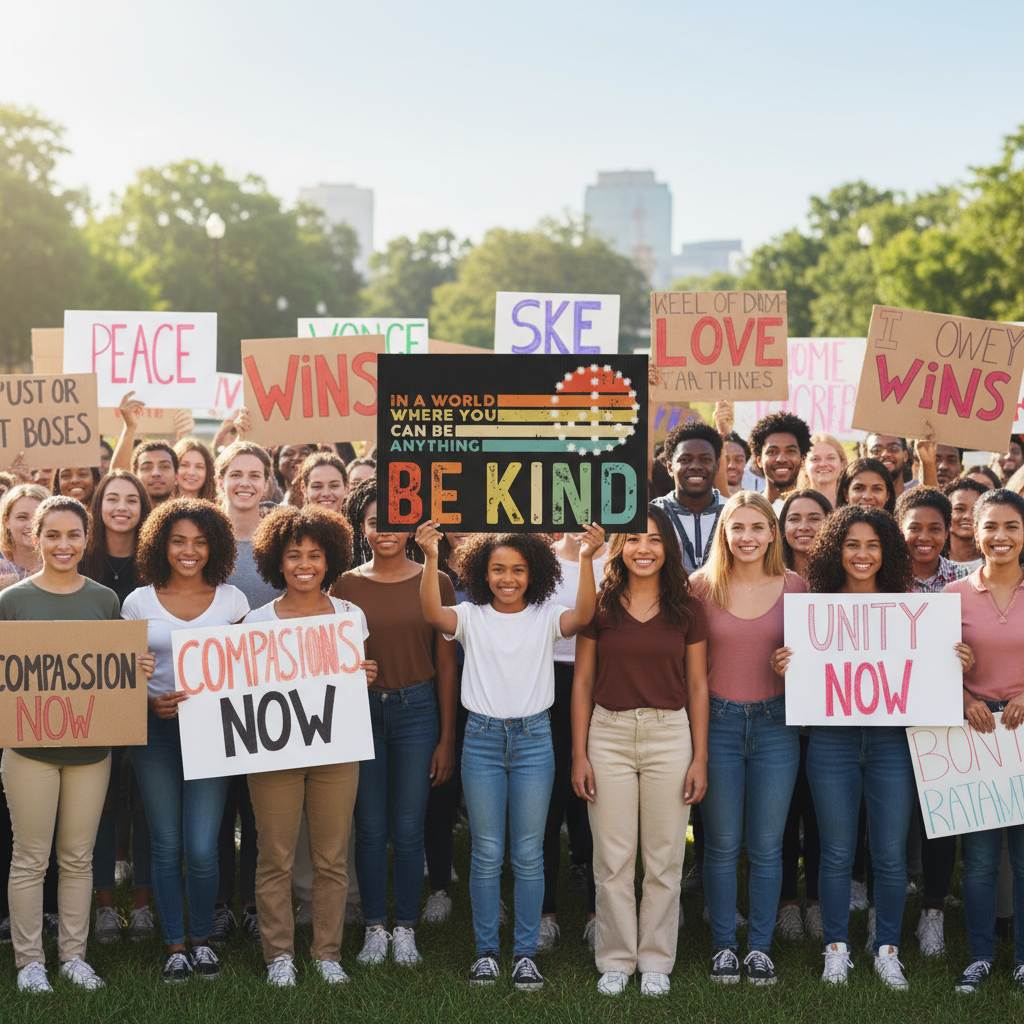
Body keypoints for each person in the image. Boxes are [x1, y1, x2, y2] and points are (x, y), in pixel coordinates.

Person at [779, 505, 972, 990]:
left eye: (872, 545)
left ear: (886, 551)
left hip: (891, 742)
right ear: (835, 550)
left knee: (888, 855)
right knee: (837, 853)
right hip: (831, 742)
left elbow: (927, 674)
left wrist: (956, 661)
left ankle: (887, 949)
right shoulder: (815, 608)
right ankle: (837, 950)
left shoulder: (911, 609)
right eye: (851, 544)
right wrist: (786, 663)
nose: (862, 554)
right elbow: (807, 676)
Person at [417, 520, 604, 991]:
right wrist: (432, 557)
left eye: (518, 570)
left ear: (534, 573)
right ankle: (485, 952)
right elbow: (433, 615)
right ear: (481, 571)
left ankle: (523, 954)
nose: (507, 579)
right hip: (480, 740)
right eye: (498, 569)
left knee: (528, 853)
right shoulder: (471, 616)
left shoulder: (545, 616)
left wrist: (585, 559)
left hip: (535, 742)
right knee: (486, 852)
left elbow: (582, 617)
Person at [0, 495, 154, 994]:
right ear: (34, 537)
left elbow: (113, 675)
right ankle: (29, 963)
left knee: (79, 857)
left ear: (86, 540)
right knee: (30, 857)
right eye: (52, 535)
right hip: (29, 753)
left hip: (91, 754)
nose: (62, 545)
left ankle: (73, 957)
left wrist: (137, 670)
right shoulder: (12, 602)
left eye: (72, 535)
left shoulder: (104, 600)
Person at [567, 506, 705, 996]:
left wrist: (700, 757)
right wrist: (580, 753)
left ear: (668, 547)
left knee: (665, 857)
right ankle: (616, 958)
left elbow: (697, 684)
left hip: (670, 733)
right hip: (608, 734)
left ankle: (655, 961)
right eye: (632, 539)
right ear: (618, 548)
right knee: (613, 857)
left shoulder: (687, 607)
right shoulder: (599, 606)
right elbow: (581, 682)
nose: (643, 548)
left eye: (653, 540)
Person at [244, 504, 377, 987]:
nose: (304, 564)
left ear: (330, 560)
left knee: (331, 856)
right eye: (293, 554)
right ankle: (279, 954)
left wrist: (365, 674)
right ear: (276, 562)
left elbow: (349, 681)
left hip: (335, 751)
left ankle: (327, 953)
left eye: (315, 555)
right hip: (274, 754)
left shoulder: (350, 616)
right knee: (275, 855)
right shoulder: (255, 622)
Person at [123, 498, 248, 983]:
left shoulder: (233, 601)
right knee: (166, 841)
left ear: (214, 546)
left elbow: (250, 673)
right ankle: (175, 943)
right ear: (161, 544)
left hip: (214, 730)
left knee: (201, 845)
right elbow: (119, 679)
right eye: (178, 541)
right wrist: (145, 698)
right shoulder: (137, 602)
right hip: (154, 731)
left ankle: (202, 939)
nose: (189, 550)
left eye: (199, 541)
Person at [333, 480, 457, 969]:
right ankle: (374, 928)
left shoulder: (437, 578)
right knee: (368, 828)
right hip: (361, 713)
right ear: (360, 528)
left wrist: (447, 736)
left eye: (395, 519)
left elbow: (447, 665)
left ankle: (405, 928)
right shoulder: (343, 585)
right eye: (373, 521)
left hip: (418, 712)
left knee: (407, 829)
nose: (384, 529)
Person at [690, 492, 804, 985]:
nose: (747, 538)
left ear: (772, 534)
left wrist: (795, 664)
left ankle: (758, 946)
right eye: (737, 528)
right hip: (717, 723)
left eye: (757, 528)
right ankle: (722, 946)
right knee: (720, 844)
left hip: (777, 724)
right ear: (724, 535)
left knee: (767, 845)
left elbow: (819, 662)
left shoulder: (796, 587)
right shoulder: (700, 587)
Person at [946, 489, 1024, 994]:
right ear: (975, 532)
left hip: (1023, 732)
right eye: (990, 526)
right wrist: (960, 697)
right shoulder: (951, 597)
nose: (1000, 536)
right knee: (976, 860)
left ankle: (1022, 958)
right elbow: (931, 667)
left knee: (1023, 858)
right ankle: (979, 956)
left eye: (1012, 527)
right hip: (973, 731)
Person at [210, 441, 282, 943]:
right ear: (221, 479)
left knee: (259, 807)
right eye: (235, 473)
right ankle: (218, 903)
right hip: (213, 691)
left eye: (255, 474)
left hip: (273, 690)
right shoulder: (204, 537)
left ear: (268, 481)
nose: (245, 483)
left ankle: (257, 904)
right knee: (219, 804)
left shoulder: (281, 538)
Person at [79, 470, 155, 943]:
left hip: (152, 699)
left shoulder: (157, 563)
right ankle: (105, 906)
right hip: (94, 701)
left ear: (144, 508)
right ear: (98, 506)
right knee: (102, 805)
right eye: (112, 498)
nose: (122, 506)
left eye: (132, 498)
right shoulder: (81, 561)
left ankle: (144, 905)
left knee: (146, 804)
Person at [894, 487, 970, 956]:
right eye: (914, 527)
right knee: (889, 818)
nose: (925, 537)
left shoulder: (965, 581)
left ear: (948, 530)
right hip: (888, 717)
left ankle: (933, 916)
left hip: (944, 716)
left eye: (935, 528)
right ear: (899, 529)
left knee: (940, 821)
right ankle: (885, 914)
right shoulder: (881, 577)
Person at [538, 529, 607, 953]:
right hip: (543, 683)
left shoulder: (622, 556)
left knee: (597, 796)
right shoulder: (539, 557)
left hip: (602, 681)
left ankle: (598, 913)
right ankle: (545, 914)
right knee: (545, 799)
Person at [776, 489, 831, 941]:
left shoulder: (844, 578)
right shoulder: (770, 577)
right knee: (781, 814)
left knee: (819, 817)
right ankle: (785, 904)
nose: (804, 526)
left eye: (815, 517)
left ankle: (815, 902)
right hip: (778, 718)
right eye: (794, 517)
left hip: (830, 722)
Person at [650, 420, 727, 573]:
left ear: (717, 466)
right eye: (685, 460)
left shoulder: (733, 512)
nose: (696, 466)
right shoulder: (654, 513)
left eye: (705, 459)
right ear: (670, 467)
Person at [749, 412, 811, 508]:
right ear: (759, 460)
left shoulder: (814, 509)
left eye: (790, 451)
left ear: (803, 459)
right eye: (772, 452)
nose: (781, 459)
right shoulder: (748, 509)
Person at [0, 483, 48, 585]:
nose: (31, 525)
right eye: (22, 517)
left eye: (38, 517)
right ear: (7, 521)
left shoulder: (67, 560)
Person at [779, 489, 832, 579]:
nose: (803, 527)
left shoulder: (845, 579)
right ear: (783, 526)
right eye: (794, 519)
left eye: (814, 519)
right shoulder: (768, 577)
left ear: (830, 524)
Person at [943, 476, 988, 568]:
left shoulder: (995, 564)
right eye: (959, 509)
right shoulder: (933, 564)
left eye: (975, 510)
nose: (968, 516)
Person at [796, 433, 847, 508]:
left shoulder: (854, 504)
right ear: (803, 464)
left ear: (843, 464)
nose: (823, 464)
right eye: (815, 459)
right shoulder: (794, 506)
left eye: (831, 458)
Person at [131, 442, 179, 507]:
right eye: (146, 468)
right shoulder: (126, 514)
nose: (156, 473)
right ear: (135, 477)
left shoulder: (189, 515)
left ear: (176, 477)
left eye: (164, 467)